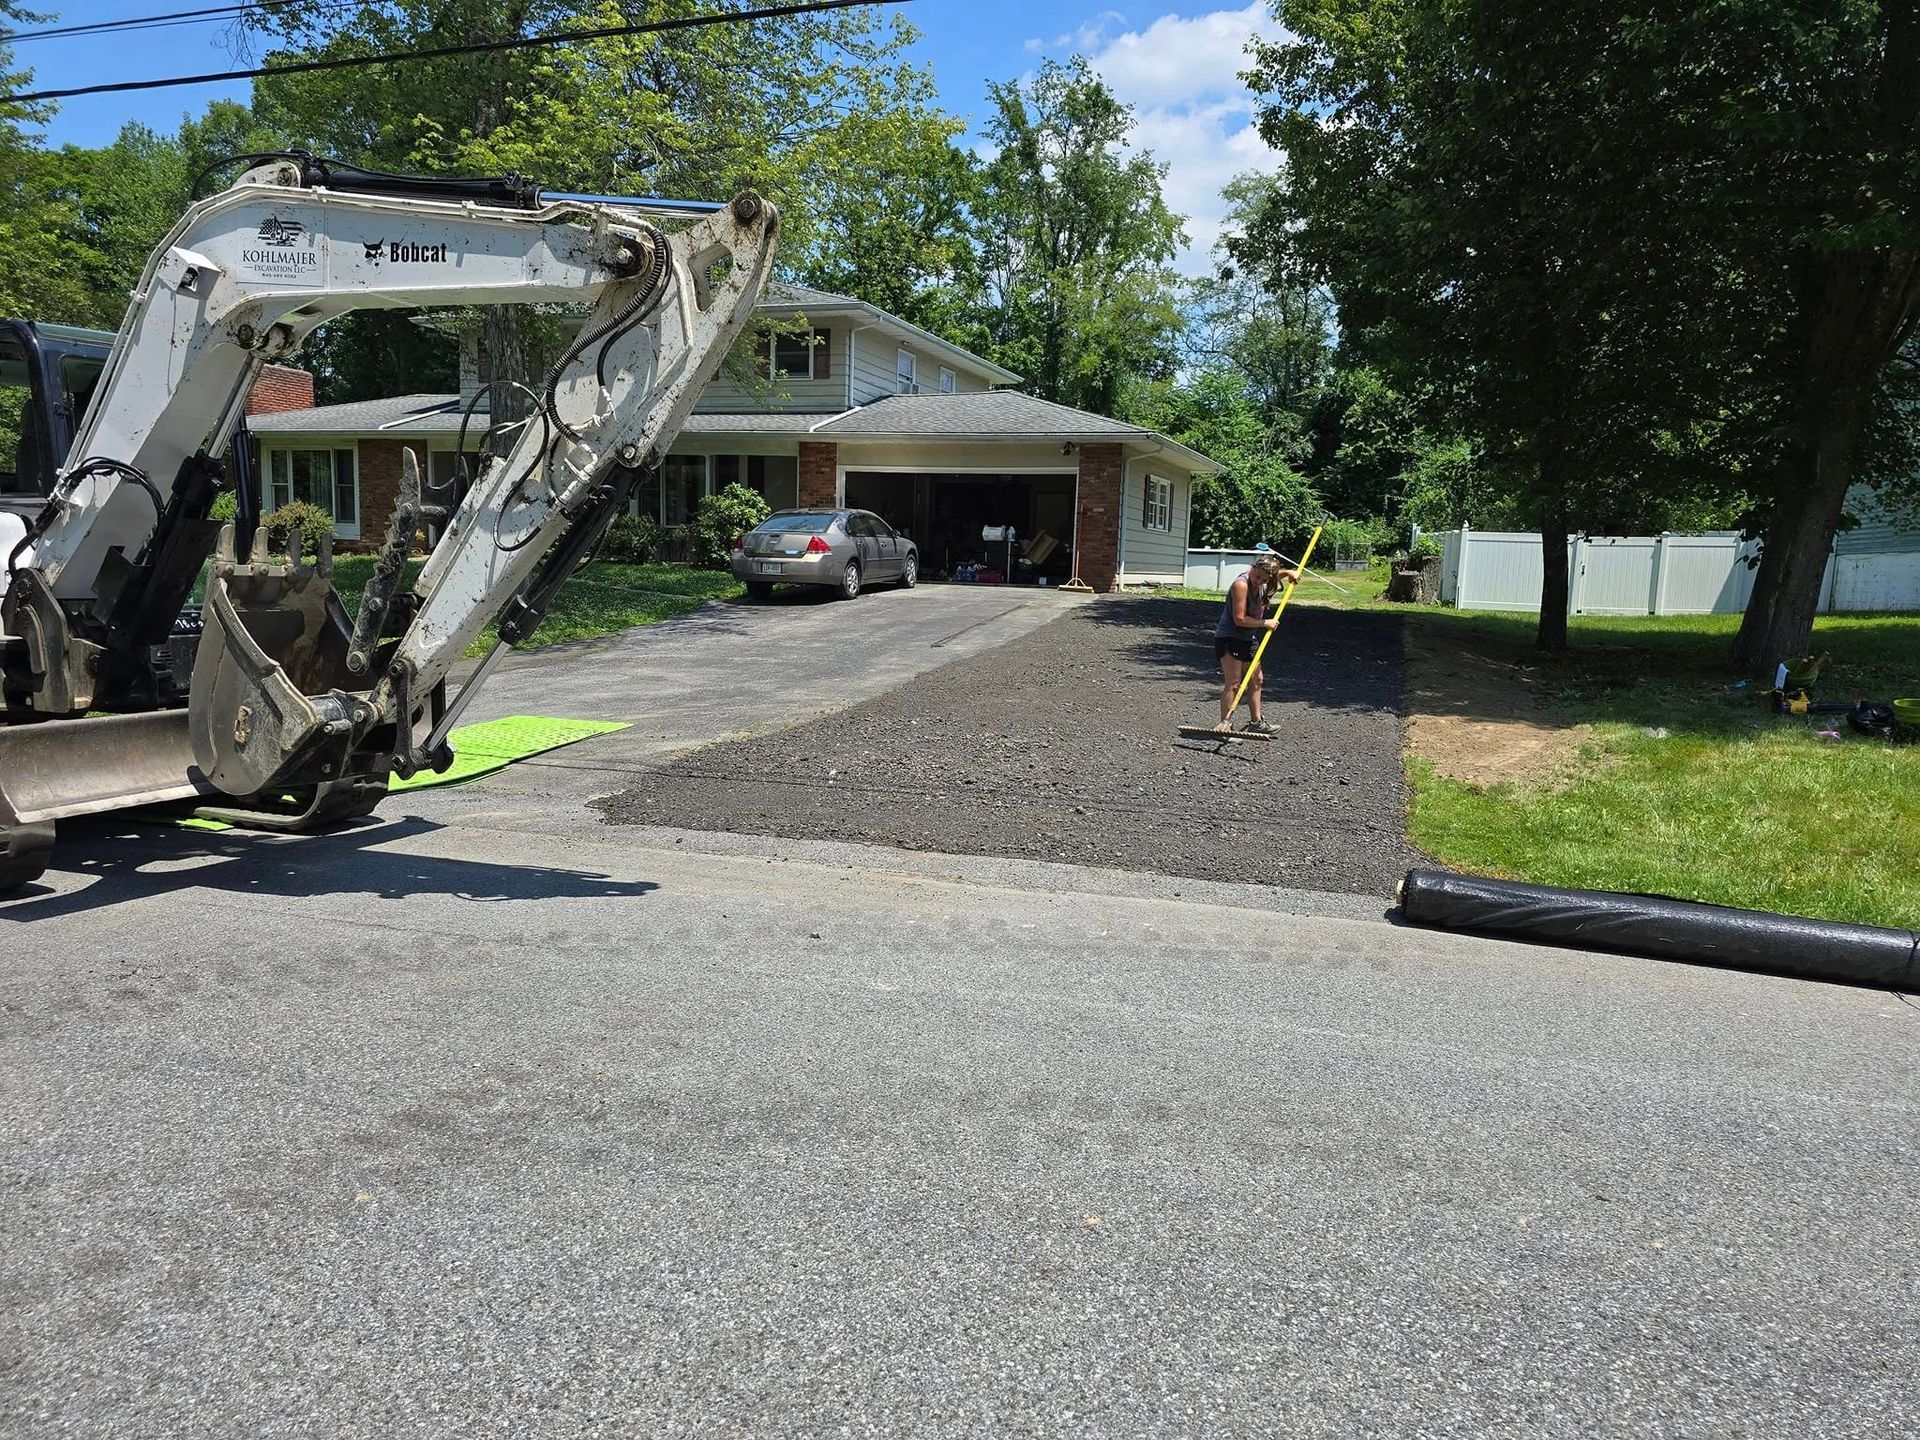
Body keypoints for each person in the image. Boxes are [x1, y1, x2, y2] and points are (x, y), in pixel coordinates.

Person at [1213, 553, 1300, 733]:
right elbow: (1239, 619)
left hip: (1247, 638)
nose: (1258, 581)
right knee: (1234, 683)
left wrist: (1289, 573)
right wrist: (1264, 623)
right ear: (1253, 568)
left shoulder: (1265, 580)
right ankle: (1224, 726)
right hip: (1230, 637)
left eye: (1264, 579)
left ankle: (1256, 723)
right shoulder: (1241, 584)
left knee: (1257, 680)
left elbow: (1276, 574)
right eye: (1257, 575)